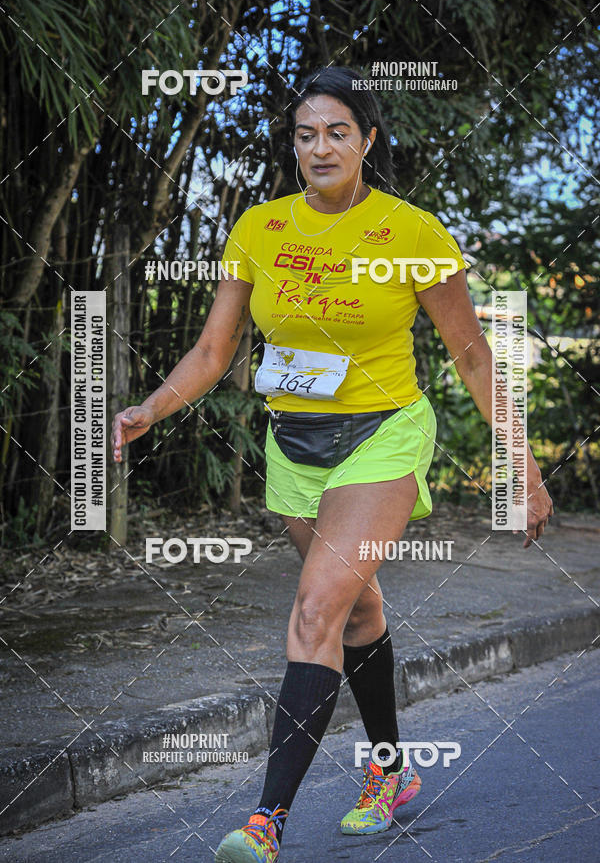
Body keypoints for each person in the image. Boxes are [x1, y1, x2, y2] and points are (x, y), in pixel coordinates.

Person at [111, 66, 553, 862]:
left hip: (384, 437)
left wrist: (521, 462)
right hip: (294, 445)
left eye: (338, 132)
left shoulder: (411, 232)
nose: (320, 147)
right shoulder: (260, 229)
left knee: (316, 608)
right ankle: (391, 769)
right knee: (354, 613)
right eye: (306, 134)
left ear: (367, 140)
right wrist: (152, 407)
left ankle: (264, 823)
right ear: (293, 145)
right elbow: (213, 350)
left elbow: (472, 357)